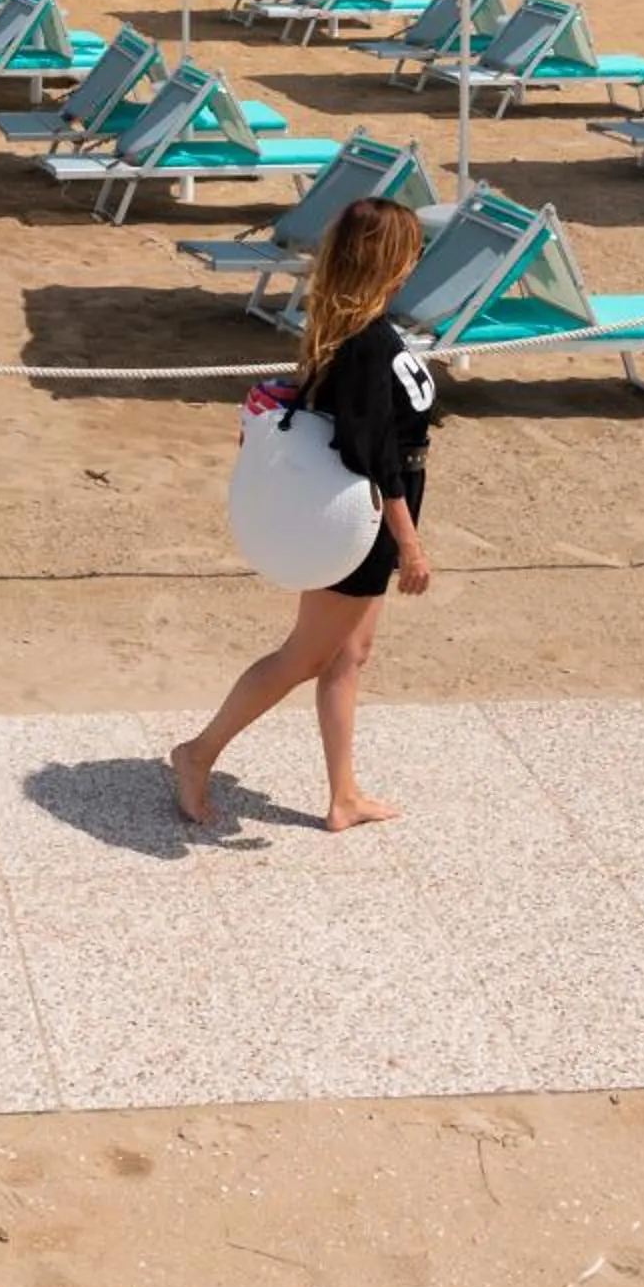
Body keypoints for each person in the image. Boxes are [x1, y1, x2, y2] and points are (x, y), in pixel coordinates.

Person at [171, 196, 434, 833]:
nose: (417, 262)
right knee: (305, 655)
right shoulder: (365, 340)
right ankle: (197, 753)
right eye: (411, 251)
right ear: (388, 261)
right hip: (365, 512)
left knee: (350, 654)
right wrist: (410, 542)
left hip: (377, 504)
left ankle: (344, 795)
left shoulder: (363, 326)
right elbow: (370, 451)